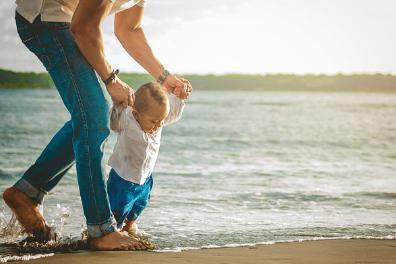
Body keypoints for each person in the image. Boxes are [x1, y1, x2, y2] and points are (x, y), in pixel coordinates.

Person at [2, 0, 192, 251]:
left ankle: (28, 192)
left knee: (91, 118)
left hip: (66, 21)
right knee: (93, 118)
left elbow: (130, 29)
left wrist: (165, 78)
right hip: (46, 20)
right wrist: (111, 79)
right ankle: (101, 229)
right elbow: (84, 27)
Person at [107, 81, 186, 241]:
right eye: (154, 122)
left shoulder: (158, 117)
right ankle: (112, 233)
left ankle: (130, 227)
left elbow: (174, 113)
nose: (158, 126)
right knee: (117, 212)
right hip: (123, 179)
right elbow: (113, 124)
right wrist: (118, 105)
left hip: (145, 178)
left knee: (140, 204)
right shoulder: (127, 118)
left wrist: (179, 97)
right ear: (137, 114)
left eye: (161, 121)